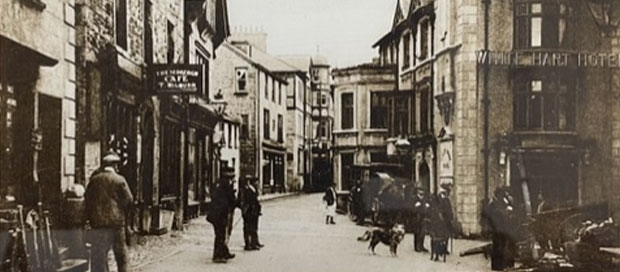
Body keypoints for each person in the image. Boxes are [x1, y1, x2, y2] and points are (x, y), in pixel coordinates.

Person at [84, 151, 133, 272]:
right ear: (115, 165)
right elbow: (129, 200)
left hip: (98, 223)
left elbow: (87, 199)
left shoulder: (94, 180)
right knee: (121, 254)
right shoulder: (120, 180)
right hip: (116, 223)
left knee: (99, 256)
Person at [485, 186, 518, 271]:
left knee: (502, 246)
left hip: (502, 227)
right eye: (501, 194)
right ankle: (496, 265)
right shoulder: (492, 203)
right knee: (497, 246)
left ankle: (502, 264)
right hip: (496, 228)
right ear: (497, 194)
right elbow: (490, 215)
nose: (503, 196)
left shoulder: (502, 201)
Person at [207, 176, 236, 263]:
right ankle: (218, 256)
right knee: (220, 234)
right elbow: (230, 199)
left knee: (220, 233)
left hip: (215, 213)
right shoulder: (226, 185)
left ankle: (224, 252)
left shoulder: (217, 183)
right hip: (220, 214)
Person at [429, 183, 455, 259]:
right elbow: (434, 210)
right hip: (437, 222)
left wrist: (451, 217)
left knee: (445, 236)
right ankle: (436, 252)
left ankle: (444, 249)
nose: (447, 193)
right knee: (436, 237)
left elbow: (449, 210)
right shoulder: (436, 199)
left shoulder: (447, 200)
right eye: (447, 192)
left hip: (446, 222)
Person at [239, 175, 263, 250]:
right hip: (248, 211)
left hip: (254, 210)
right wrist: (244, 209)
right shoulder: (243, 189)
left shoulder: (252, 188)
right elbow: (242, 200)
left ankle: (254, 242)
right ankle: (248, 244)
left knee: (254, 227)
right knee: (247, 227)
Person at [412, 185, 430, 252]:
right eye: (420, 190)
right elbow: (411, 209)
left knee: (423, 232)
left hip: (424, 217)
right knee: (417, 232)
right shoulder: (414, 198)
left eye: (422, 190)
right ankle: (416, 247)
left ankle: (421, 246)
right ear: (417, 191)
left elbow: (428, 207)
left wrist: (427, 206)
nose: (421, 192)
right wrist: (415, 207)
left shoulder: (425, 199)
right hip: (416, 218)